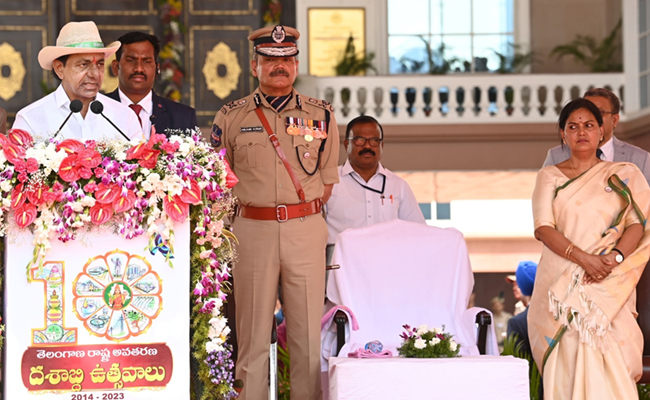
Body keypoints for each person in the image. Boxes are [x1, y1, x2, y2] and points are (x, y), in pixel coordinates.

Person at [212, 25, 339, 400]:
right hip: (252, 232)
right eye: (269, 59)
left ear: (296, 65)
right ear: (255, 66)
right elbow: (220, 183)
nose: (278, 66)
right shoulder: (230, 116)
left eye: (285, 59)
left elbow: (328, 181)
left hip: (305, 228)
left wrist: (297, 211)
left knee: (306, 340)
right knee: (251, 340)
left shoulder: (323, 115)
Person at [530, 98, 650, 399]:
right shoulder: (549, 176)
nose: (581, 132)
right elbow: (544, 228)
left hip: (609, 282)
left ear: (602, 131)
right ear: (562, 134)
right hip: (562, 285)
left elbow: (638, 223)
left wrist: (614, 258)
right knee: (567, 357)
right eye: (573, 126)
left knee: (614, 357)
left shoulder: (625, 174)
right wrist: (584, 260)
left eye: (588, 125)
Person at [12, 21, 142, 141]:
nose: (95, 74)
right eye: (83, 65)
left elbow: (140, 163)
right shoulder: (30, 119)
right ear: (59, 69)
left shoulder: (125, 117)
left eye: (100, 64)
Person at [326, 115, 426, 246]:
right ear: (346, 145)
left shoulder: (398, 185)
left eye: (374, 140)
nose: (368, 146)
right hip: (343, 264)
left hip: (387, 263)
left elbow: (417, 231)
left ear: (381, 145)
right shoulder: (330, 182)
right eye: (359, 140)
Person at [543, 88, 650, 184]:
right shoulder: (556, 156)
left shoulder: (640, 158)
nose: (589, 117)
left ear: (614, 120)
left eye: (598, 112)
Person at [106, 31, 198, 137]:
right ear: (116, 67)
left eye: (146, 61)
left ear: (157, 69)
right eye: (131, 60)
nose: (139, 68)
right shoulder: (95, 112)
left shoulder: (184, 117)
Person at [506, 261, 537, 356]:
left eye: (517, 284)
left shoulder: (517, 323)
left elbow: (518, 362)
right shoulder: (559, 316)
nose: (514, 288)